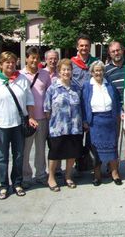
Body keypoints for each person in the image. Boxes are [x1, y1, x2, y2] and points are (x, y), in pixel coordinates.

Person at [0, 51, 37, 200]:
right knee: (2, 156)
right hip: (1, 124)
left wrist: (31, 117)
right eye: (7, 62)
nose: (10, 65)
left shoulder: (22, 79)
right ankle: (3, 185)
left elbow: (29, 101)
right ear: (0, 64)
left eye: (13, 62)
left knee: (19, 155)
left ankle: (17, 182)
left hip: (19, 124)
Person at [43, 59, 84, 191]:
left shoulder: (76, 88)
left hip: (74, 127)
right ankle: (51, 177)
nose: (66, 72)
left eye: (68, 70)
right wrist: (54, 123)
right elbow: (47, 110)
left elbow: (81, 107)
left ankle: (68, 176)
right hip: (58, 128)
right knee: (55, 154)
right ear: (59, 72)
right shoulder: (52, 88)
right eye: (64, 70)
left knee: (71, 153)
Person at [81, 61, 122, 186]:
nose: (98, 73)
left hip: (110, 120)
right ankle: (97, 175)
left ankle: (115, 173)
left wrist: (119, 115)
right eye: (96, 70)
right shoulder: (87, 86)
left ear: (103, 72)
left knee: (112, 148)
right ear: (92, 72)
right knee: (96, 151)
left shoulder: (109, 85)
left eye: (100, 70)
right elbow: (83, 105)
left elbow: (117, 101)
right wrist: (85, 121)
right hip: (95, 122)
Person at [20, 47, 51, 187]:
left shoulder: (44, 74)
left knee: (40, 148)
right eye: (32, 57)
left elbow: (50, 93)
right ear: (26, 58)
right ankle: (26, 177)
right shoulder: (20, 75)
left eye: (37, 58)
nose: (34, 60)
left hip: (42, 117)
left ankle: (40, 174)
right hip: (27, 119)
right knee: (25, 149)